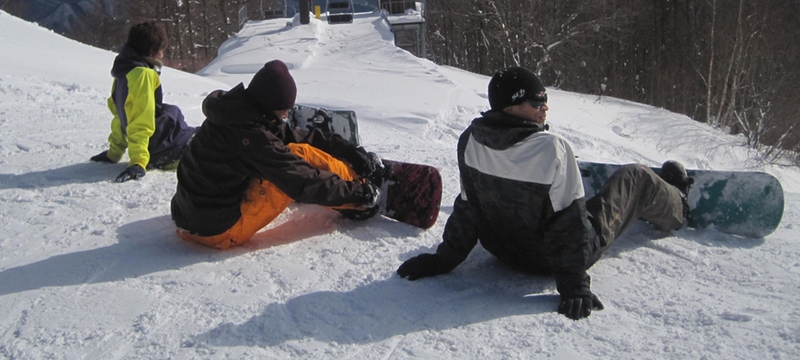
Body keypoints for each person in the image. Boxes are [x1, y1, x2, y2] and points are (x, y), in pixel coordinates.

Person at [396, 66, 693, 320]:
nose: (545, 107)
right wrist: (574, 286)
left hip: (502, 250)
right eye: (536, 102)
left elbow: (468, 208)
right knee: (636, 177)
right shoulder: (552, 149)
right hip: (548, 260)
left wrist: (443, 260)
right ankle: (678, 203)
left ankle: (566, 187)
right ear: (510, 107)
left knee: (547, 193)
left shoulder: (470, 140)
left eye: (545, 100)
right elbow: (569, 225)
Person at [170, 59, 384, 249]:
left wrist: (347, 149)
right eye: (284, 109)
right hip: (218, 232)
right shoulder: (251, 135)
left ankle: (349, 178)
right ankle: (359, 192)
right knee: (293, 165)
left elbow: (294, 135)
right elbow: (300, 180)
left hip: (189, 219)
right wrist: (356, 193)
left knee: (293, 151)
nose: (287, 114)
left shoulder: (236, 114)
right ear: (269, 104)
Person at [90, 22, 196, 183]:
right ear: (152, 51)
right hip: (164, 148)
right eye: (162, 51)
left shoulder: (124, 70)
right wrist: (139, 161)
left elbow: (121, 113)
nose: (162, 56)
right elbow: (141, 119)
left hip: (159, 143)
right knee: (213, 142)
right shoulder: (143, 75)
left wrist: (114, 153)